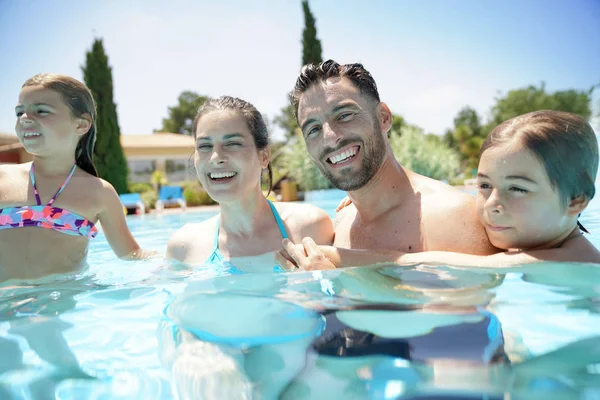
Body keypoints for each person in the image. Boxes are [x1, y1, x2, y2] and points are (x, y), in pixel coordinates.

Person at [279, 110, 600, 269]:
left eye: (517, 188)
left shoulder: (576, 260)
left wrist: (335, 257)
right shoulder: (539, 239)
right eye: (485, 185)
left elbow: (423, 263)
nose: (492, 204)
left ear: (575, 200)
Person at [285, 59, 497, 261]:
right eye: (313, 129)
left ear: (383, 117)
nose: (330, 138)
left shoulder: (454, 216)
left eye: (344, 115)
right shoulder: (341, 225)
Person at [0, 73, 154, 282]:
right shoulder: (3, 178)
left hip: (60, 305)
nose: (25, 119)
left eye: (41, 111)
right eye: (20, 112)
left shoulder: (99, 192)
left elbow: (131, 254)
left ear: (81, 124)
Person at [166, 96, 333, 272]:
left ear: (264, 156)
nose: (216, 158)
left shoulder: (311, 227)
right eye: (204, 146)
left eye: (232, 143)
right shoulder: (184, 247)